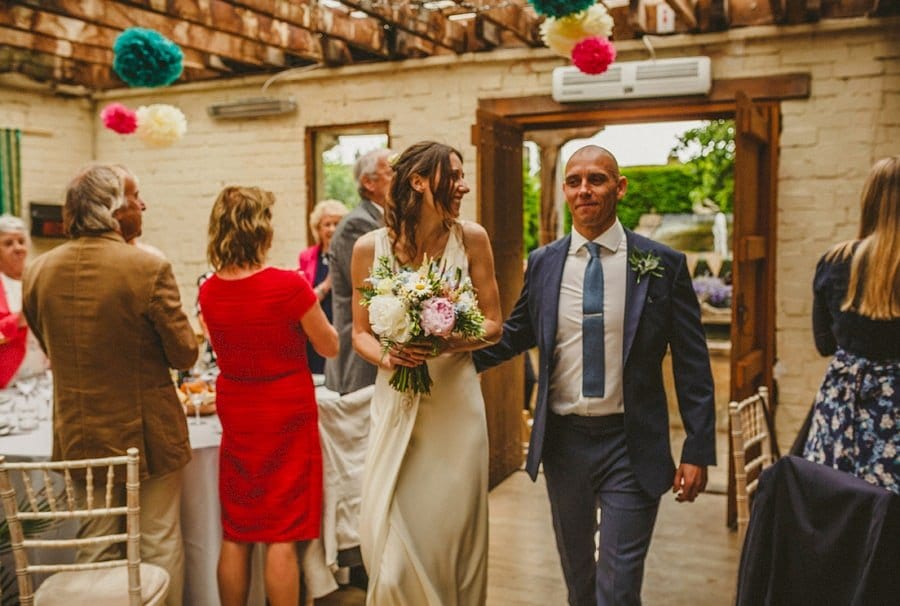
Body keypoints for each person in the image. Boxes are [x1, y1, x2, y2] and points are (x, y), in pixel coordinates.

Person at [474, 145, 716, 606]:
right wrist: (452, 360)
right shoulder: (544, 261)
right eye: (574, 181)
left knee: (618, 587)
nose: (584, 189)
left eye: (597, 179)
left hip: (631, 443)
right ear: (565, 191)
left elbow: (691, 361)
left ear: (619, 187)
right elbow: (518, 331)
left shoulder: (662, 265)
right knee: (579, 579)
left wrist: (697, 448)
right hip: (564, 443)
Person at [22, 164, 198, 606]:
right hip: (149, 433)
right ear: (114, 210)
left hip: (79, 432)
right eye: (136, 196)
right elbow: (185, 354)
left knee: (96, 546)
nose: (143, 205)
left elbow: (50, 346)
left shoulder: (38, 271)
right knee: (157, 541)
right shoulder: (147, 267)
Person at [351, 141, 502, 604]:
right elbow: (359, 333)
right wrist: (389, 356)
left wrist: (446, 341)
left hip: (455, 414)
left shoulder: (471, 239)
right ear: (418, 181)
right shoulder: (367, 248)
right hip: (397, 405)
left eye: (461, 176)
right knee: (392, 563)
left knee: (452, 541)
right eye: (453, 176)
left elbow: (495, 326)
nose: (463, 186)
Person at [198, 186, 338, 606]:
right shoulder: (287, 286)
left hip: (239, 410)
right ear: (260, 230)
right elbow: (328, 345)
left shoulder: (209, 291)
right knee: (282, 531)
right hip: (286, 411)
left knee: (238, 528)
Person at [801, 156, 899, 494]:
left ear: (868, 201)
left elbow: (824, 344)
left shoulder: (834, 261)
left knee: (840, 504)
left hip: (843, 405)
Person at [325, 148, 394, 396]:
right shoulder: (358, 225)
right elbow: (374, 292)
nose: (400, 177)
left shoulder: (387, 219)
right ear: (368, 182)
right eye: (391, 171)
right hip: (360, 360)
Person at [299, 198, 349, 374]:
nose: (332, 229)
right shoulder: (307, 257)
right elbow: (304, 299)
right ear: (318, 229)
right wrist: (327, 285)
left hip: (343, 325)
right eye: (327, 224)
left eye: (337, 224)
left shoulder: (351, 254)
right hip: (318, 326)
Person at [0, 215, 49, 387]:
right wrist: (17, 320)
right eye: (8, 243)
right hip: (7, 382)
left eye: (21, 241)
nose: (18, 248)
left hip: (43, 377)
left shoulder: (39, 278)